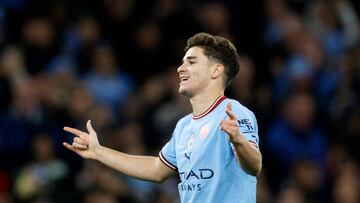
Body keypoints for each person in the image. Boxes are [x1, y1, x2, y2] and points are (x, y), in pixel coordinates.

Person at [63, 32, 262, 202]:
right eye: (182, 62)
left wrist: (239, 141)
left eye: (191, 62)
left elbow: (254, 165)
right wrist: (98, 152)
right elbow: (156, 169)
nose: (180, 68)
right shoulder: (184, 126)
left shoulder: (233, 111)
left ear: (216, 70)